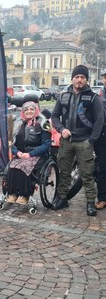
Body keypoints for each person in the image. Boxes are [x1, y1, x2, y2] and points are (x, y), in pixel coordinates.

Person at [51, 65, 104, 216]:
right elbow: (54, 116)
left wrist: (91, 140)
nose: (79, 80)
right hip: (66, 141)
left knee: (87, 174)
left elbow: (99, 120)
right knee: (64, 172)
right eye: (77, 77)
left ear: (87, 79)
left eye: (82, 77)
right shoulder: (63, 96)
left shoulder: (94, 98)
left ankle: (90, 202)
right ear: (72, 79)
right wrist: (61, 129)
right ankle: (62, 199)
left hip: (85, 142)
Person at [6, 99, 51, 204]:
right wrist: (17, 152)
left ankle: (24, 194)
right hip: (22, 155)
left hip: (39, 155)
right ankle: (13, 193)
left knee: (24, 166)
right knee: (12, 166)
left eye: (32, 109)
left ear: (36, 110)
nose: (29, 111)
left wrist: (30, 154)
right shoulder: (18, 124)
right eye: (26, 109)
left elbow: (47, 145)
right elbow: (12, 144)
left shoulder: (44, 123)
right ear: (23, 111)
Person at [94, 67, 106, 209]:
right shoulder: (98, 96)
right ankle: (102, 198)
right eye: (105, 77)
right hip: (102, 136)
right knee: (103, 168)